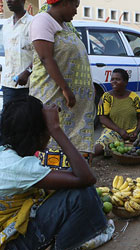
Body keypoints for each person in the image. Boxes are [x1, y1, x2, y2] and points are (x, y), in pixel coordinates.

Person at [0, 96, 106, 250]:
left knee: (57, 189)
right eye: (47, 132)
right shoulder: (18, 167)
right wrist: (56, 129)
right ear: (40, 134)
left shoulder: (7, 152)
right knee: (82, 194)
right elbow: (86, 178)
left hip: (9, 240)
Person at [30, 0, 95, 170]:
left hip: (73, 105)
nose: (75, 11)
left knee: (71, 140)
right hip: (54, 94)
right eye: (75, 6)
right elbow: (46, 58)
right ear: (65, 3)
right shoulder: (42, 21)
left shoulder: (65, 25)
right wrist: (66, 89)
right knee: (52, 136)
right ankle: (54, 180)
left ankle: (76, 175)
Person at [1, 0, 33, 113]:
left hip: (28, 86)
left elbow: (41, 55)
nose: (8, 1)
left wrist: (27, 72)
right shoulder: (6, 25)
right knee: (7, 122)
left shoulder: (33, 23)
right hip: (8, 84)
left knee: (26, 122)